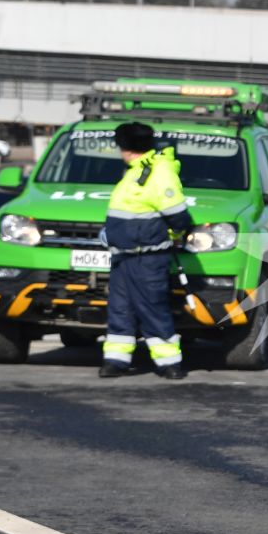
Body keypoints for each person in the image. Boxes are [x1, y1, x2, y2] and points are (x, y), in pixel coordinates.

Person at [101, 121, 192, 380]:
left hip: (147, 257)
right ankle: (116, 360)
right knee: (120, 309)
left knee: (152, 307)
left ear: (125, 146)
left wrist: (171, 237)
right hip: (124, 256)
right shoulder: (135, 170)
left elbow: (178, 217)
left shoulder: (158, 172)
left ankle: (169, 363)